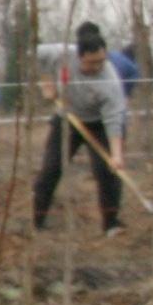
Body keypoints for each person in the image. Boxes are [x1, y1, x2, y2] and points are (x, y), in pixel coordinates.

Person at [33, 26, 127, 235]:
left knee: (107, 172)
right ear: (80, 56)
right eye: (92, 62)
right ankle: (37, 222)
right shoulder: (61, 54)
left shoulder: (109, 82)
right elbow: (32, 55)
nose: (97, 66)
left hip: (99, 124)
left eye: (101, 61)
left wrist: (117, 155)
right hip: (67, 118)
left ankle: (111, 224)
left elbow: (113, 120)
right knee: (51, 168)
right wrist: (46, 82)